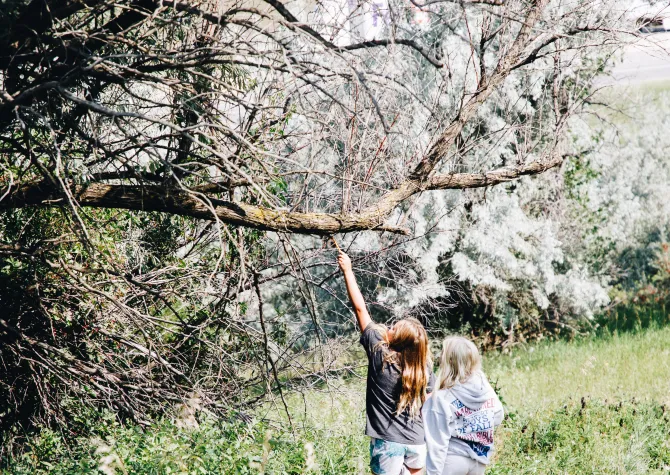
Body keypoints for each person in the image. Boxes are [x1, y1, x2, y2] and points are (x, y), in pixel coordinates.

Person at [337, 250, 434, 475]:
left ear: (396, 340)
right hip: (417, 442)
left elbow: (360, 308)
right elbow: (430, 406)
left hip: (387, 443)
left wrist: (348, 271)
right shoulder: (423, 367)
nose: (389, 327)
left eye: (393, 328)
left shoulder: (379, 354)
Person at [422, 336, 504, 475]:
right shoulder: (485, 389)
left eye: (443, 352)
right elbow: (498, 416)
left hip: (452, 460)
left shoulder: (442, 398)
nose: (440, 356)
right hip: (479, 460)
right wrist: (473, 425)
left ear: (449, 361)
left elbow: (437, 444)